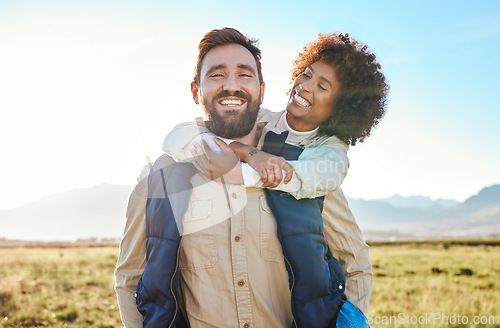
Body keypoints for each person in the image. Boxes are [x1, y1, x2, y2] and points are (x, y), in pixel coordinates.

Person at [163, 32, 388, 316]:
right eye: (306, 75)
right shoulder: (259, 121)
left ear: (340, 107)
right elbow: (185, 132)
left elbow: (354, 260)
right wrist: (248, 153)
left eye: (322, 87)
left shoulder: (324, 159)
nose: (305, 87)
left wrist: (242, 172)